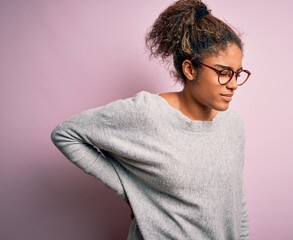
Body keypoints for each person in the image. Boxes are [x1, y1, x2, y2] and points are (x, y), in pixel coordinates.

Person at [51, 0, 251, 239]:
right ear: (190, 69)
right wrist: (129, 189)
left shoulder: (233, 125)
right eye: (223, 72)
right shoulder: (149, 114)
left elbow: (236, 201)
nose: (233, 84)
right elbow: (66, 134)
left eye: (237, 73)